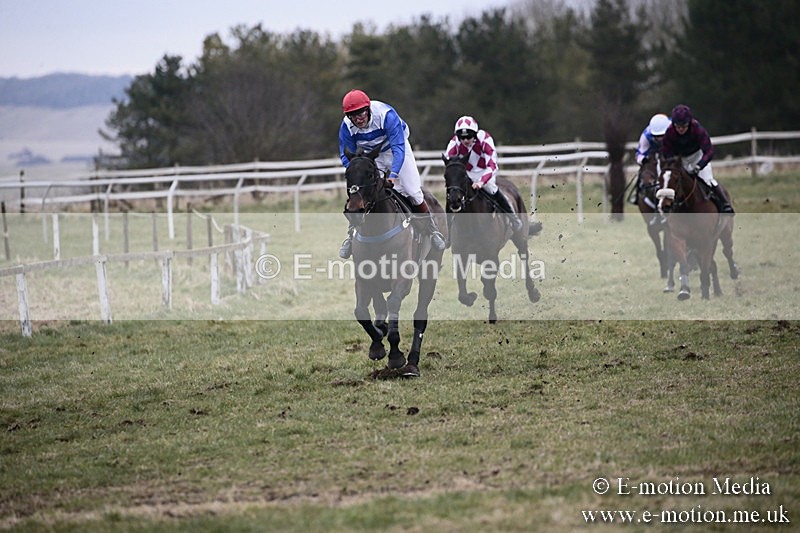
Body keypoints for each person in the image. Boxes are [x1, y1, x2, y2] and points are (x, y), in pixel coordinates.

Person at [337, 89, 446, 259]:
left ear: (368, 108)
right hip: (374, 154)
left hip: (397, 149)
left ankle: (432, 230)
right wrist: (355, 171)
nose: (358, 118)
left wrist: (393, 174)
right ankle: (351, 236)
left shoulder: (386, 115)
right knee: (363, 194)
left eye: (361, 113)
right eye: (353, 115)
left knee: (412, 191)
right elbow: (347, 155)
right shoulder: (346, 126)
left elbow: (398, 149)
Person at [444, 115, 522, 232]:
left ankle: (513, 218)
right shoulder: (454, 142)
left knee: (491, 189)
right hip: (467, 174)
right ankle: (448, 230)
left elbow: (492, 165)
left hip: (485, 171)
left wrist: (481, 182)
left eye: (469, 137)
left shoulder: (485, 139)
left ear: (474, 134)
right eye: (462, 137)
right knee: (452, 195)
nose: (465, 140)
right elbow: (450, 163)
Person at [661, 104, 734, 214]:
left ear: (689, 122)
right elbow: (666, 151)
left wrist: (699, 165)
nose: (680, 129)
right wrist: (673, 164)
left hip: (698, 157)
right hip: (681, 160)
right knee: (672, 182)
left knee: (708, 180)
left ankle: (725, 204)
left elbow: (709, 151)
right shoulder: (670, 132)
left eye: (684, 126)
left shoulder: (697, 129)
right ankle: (665, 209)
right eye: (677, 126)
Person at [629, 113, 670, 205]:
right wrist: (643, 160)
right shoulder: (646, 136)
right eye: (657, 136)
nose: (660, 139)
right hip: (653, 153)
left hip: (671, 151)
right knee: (644, 172)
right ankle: (637, 194)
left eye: (662, 135)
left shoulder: (675, 130)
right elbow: (640, 153)